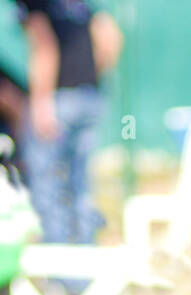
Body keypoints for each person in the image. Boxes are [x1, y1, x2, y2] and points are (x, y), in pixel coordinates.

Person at [16, 2, 122, 267]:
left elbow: (44, 45)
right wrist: (88, 77)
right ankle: (88, 270)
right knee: (82, 187)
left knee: (48, 188)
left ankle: (59, 278)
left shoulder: (36, 4)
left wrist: (42, 101)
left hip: (57, 101)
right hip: (89, 97)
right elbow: (110, 39)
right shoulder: (84, 5)